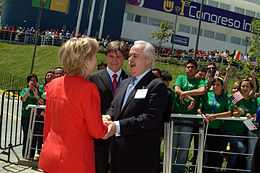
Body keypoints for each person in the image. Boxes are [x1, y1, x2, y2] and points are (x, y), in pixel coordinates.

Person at [39, 37, 113, 173]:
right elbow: (97, 131)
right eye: (93, 56)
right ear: (84, 60)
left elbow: (48, 124)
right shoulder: (88, 88)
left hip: (51, 154)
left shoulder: (53, 85)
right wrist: (108, 124)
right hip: (75, 160)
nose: (96, 60)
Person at [104, 40, 169, 173]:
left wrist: (117, 126)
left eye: (135, 56)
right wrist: (107, 117)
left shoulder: (156, 85)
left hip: (140, 160)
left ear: (148, 60)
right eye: (130, 55)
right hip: (117, 157)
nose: (130, 59)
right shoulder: (124, 83)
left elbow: (150, 119)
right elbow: (114, 107)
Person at [88, 40, 128, 173]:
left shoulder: (130, 80)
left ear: (124, 58)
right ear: (106, 57)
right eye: (111, 56)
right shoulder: (93, 78)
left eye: (118, 56)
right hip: (99, 134)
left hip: (121, 135)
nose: (115, 60)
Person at [171, 59, 206, 173]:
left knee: (184, 148)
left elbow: (202, 90)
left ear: (196, 69)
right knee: (173, 146)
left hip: (189, 120)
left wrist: (185, 93)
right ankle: (169, 169)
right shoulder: (181, 78)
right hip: (176, 118)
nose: (190, 69)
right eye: (188, 67)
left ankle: (178, 170)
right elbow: (177, 89)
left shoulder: (199, 81)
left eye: (192, 67)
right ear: (185, 68)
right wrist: (191, 98)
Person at [20, 74, 43, 159]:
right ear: (28, 82)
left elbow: (41, 102)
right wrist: (29, 89)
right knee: (26, 135)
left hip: (35, 117)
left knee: (33, 136)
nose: (33, 82)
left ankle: (31, 154)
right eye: (31, 80)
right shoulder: (25, 90)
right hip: (26, 116)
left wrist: (36, 94)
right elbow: (23, 99)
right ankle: (25, 154)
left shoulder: (38, 91)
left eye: (35, 80)